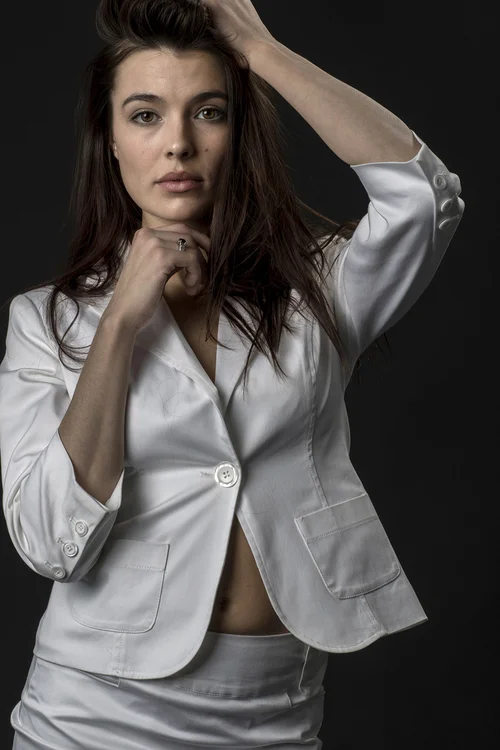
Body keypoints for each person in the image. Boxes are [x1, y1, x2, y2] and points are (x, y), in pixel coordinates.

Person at [0, 1, 465, 748]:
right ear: (110, 140)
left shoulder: (318, 290)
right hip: (91, 712)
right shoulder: (46, 321)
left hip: (275, 710)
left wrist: (261, 51)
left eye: (209, 112)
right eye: (145, 116)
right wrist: (119, 322)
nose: (178, 143)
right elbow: (51, 541)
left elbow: (425, 198)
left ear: (238, 130)